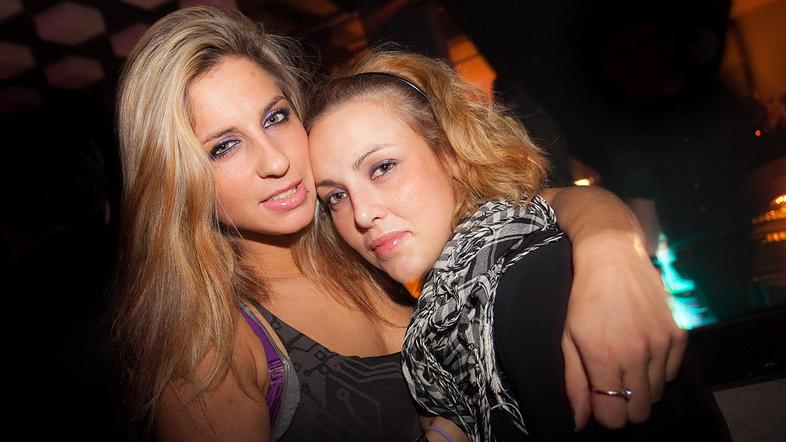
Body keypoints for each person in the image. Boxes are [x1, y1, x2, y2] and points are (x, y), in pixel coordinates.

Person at [114, 6, 689, 441]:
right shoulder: (213, 346)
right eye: (223, 147)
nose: (276, 160)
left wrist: (611, 252)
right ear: (176, 178)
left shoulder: (364, 237)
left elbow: (530, 205)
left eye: (275, 116)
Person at [307, 50, 730, 440]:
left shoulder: (537, 283)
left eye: (383, 167)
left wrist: (611, 243)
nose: (362, 214)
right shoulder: (455, 306)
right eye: (336, 196)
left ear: (451, 156)